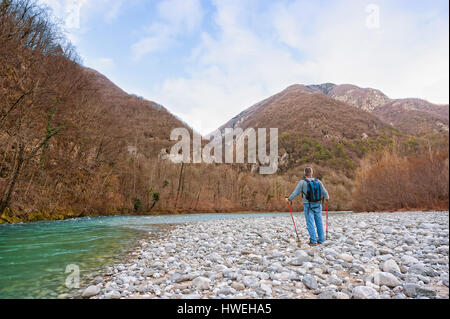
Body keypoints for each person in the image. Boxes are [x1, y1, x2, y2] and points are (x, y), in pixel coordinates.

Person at [285, 167, 329, 245]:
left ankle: (313, 241)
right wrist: (327, 198)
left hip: (308, 205)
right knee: (319, 222)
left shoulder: (302, 182)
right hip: (318, 205)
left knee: (310, 223)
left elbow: (296, 193)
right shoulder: (318, 181)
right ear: (312, 173)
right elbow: (325, 193)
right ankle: (321, 240)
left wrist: (289, 199)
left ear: (304, 174)